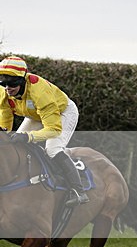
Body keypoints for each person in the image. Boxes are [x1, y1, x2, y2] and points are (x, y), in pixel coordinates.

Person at [0, 56, 89, 206]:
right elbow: (5, 120)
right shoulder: (3, 92)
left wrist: (28, 136)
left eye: (12, 83)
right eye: (3, 82)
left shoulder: (39, 93)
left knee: (52, 149)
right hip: (35, 114)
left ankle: (78, 191)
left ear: (23, 80)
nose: (8, 88)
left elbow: (53, 130)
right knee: (15, 144)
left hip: (62, 113)